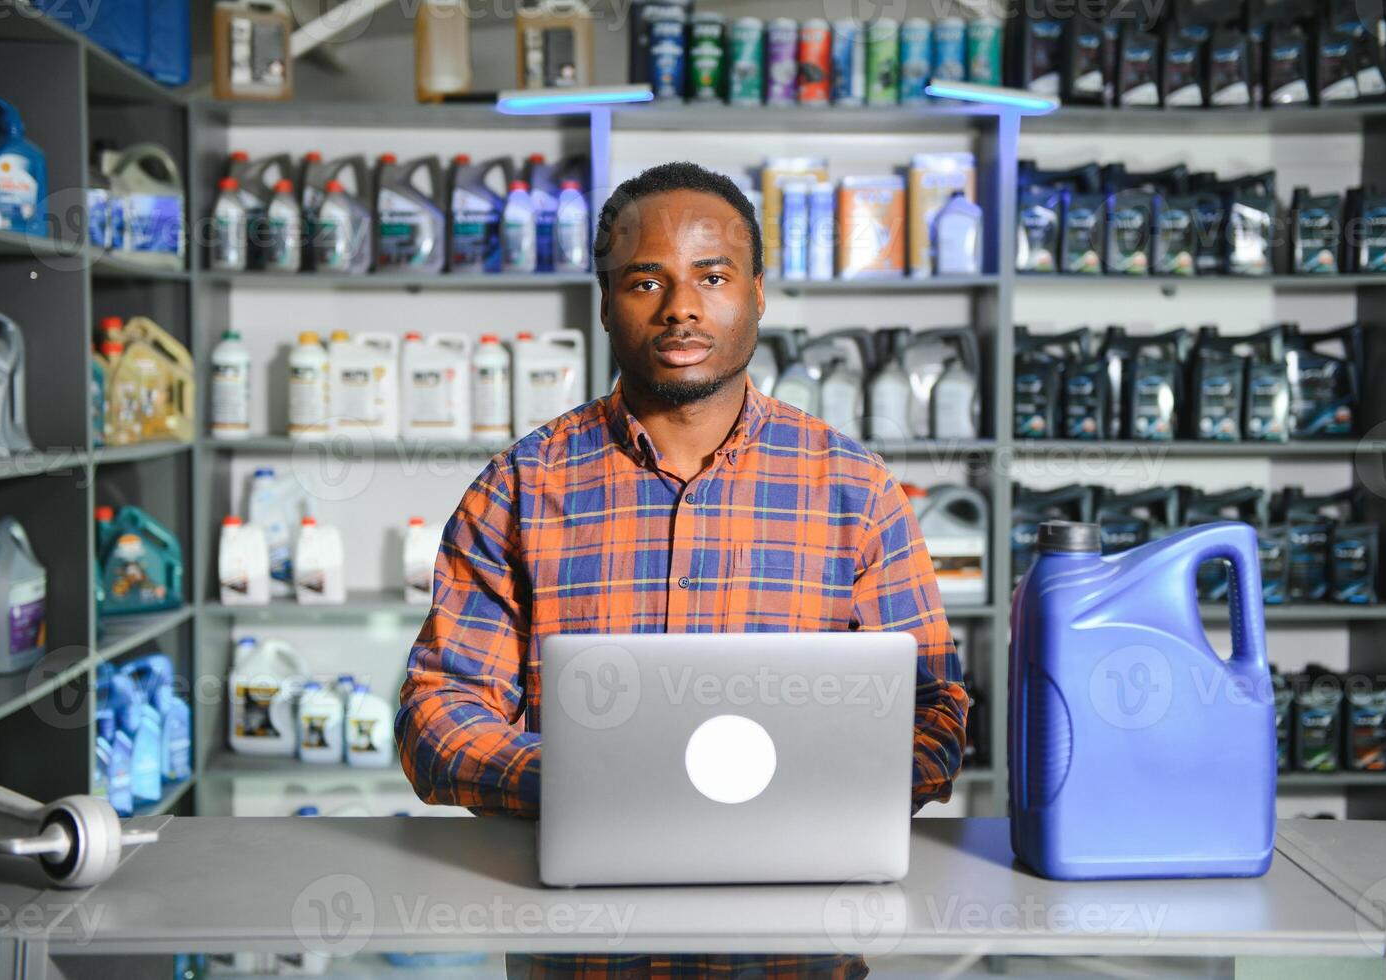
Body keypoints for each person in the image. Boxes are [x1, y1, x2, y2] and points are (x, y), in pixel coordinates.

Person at [397, 161, 969, 979]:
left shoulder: (856, 489)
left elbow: (935, 712)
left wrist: (809, 790)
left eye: (711, 276)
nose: (681, 308)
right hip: (582, 950)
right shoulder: (522, 485)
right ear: (603, 303)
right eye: (644, 282)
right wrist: (585, 780)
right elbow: (436, 714)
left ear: (758, 292)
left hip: (793, 951)